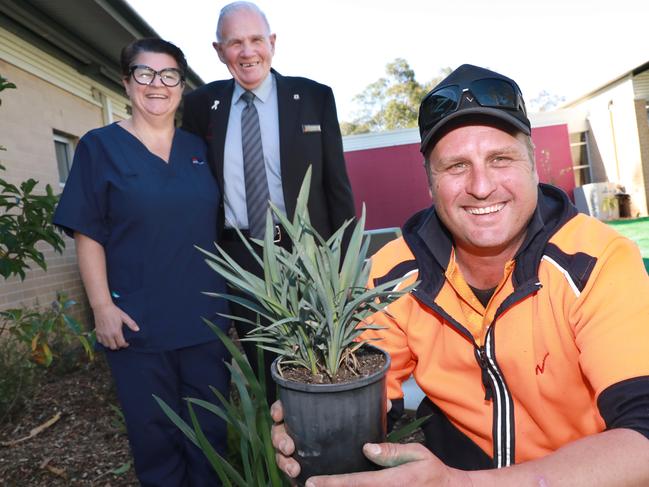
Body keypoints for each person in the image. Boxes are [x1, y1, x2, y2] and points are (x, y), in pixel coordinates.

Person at [270, 64, 649, 486]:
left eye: (500, 159)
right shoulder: (394, 273)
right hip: (452, 464)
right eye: (455, 167)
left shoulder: (596, 260)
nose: (481, 186)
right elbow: (368, 397)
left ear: (533, 166)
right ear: (430, 183)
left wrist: (464, 485)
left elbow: (644, 437)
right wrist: (319, 422)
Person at [53, 38, 231, 487]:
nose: (157, 84)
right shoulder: (99, 147)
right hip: (136, 325)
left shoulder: (200, 150)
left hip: (204, 322)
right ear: (126, 81)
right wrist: (101, 308)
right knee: (156, 440)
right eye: (145, 73)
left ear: (181, 84)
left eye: (168, 75)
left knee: (210, 436)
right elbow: (87, 232)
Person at [181, 1, 356, 403]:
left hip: (309, 254)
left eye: (256, 39)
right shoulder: (199, 107)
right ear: (218, 50)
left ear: (272, 43)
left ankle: (325, 446)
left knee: (319, 363)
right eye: (235, 42)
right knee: (265, 369)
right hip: (238, 256)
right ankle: (279, 453)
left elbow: (337, 188)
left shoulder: (314, 97)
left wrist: (345, 266)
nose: (247, 52)